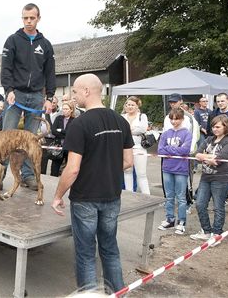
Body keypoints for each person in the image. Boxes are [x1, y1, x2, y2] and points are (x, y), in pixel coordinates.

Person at [51, 74, 133, 293]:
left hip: (85, 198)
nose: (73, 96)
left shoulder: (79, 124)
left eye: (76, 91)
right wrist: (104, 171)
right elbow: (128, 162)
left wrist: (58, 196)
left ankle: (89, 295)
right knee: (110, 249)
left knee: (86, 253)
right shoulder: (121, 121)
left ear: (87, 91)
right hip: (112, 196)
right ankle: (118, 293)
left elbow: (73, 168)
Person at [0, 3, 56, 190]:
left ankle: (28, 176)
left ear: (38, 18)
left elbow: (50, 73)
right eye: (25, 18)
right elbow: (6, 69)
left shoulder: (45, 44)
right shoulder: (12, 41)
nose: (29, 21)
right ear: (22, 18)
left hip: (36, 97)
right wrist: (9, 90)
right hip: (16, 95)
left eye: (32, 18)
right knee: (7, 138)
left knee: (31, 140)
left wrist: (49, 97)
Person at [190, 115, 228, 245]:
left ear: (226, 126)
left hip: (221, 178)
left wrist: (204, 157)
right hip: (205, 177)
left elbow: (218, 160)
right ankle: (206, 231)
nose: (215, 129)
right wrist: (207, 157)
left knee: (218, 207)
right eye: (213, 126)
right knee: (200, 204)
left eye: (218, 126)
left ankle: (217, 234)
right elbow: (196, 154)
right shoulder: (208, 139)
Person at [157, 108, 192, 235]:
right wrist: (175, 150)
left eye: (176, 118)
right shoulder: (166, 133)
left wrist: (169, 149)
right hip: (167, 168)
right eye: (171, 118)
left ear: (182, 119)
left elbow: (186, 150)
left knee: (181, 197)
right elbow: (160, 150)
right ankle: (170, 219)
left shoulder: (187, 133)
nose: (174, 121)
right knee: (169, 196)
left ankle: (181, 221)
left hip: (181, 169)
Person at [121, 96, 151, 194]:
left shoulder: (142, 116)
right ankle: (129, 195)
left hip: (139, 149)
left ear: (137, 106)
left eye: (132, 105)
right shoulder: (122, 117)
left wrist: (128, 130)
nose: (130, 107)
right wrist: (132, 130)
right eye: (128, 104)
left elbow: (142, 129)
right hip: (125, 148)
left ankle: (147, 196)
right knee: (127, 172)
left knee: (141, 174)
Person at [49, 102, 75, 177]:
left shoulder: (74, 120)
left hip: (69, 147)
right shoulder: (58, 118)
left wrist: (61, 131)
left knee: (69, 168)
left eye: (66, 109)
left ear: (71, 110)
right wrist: (65, 134)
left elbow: (73, 134)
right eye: (63, 109)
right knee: (54, 168)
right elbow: (53, 131)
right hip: (58, 146)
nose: (64, 111)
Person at [194, 97, 212, 170]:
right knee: (200, 149)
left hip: (209, 133)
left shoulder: (210, 111)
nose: (205, 102)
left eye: (206, 101)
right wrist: (202, 129)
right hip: (201, 132)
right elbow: (196, 122)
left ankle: (206, 165)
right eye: (203, 101)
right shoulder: (197, 111)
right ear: (200, 103)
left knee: (209, 149)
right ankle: (195, 166)